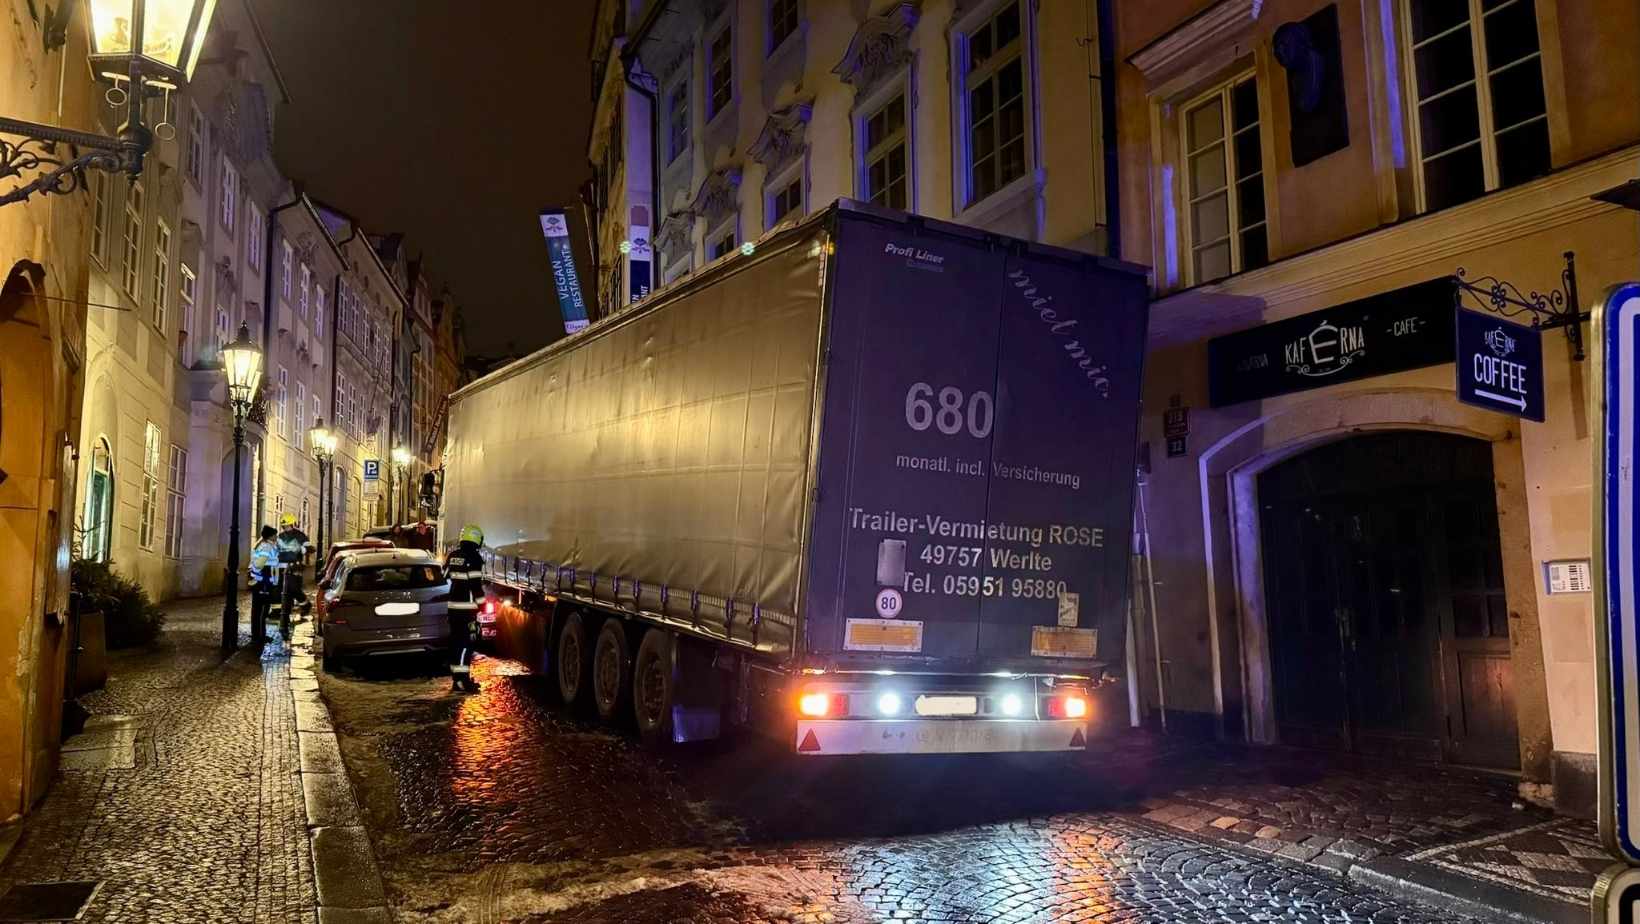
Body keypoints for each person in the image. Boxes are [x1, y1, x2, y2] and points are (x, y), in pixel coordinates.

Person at [444, 524, 485, 693]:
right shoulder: (474, 558)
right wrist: (482, 604)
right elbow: (476, 585)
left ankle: (457, 679)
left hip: (453, 607)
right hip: (467, 610)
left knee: (455, 643)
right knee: (466, 644)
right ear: (476, 539)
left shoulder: (453, 555)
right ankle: (462, 681)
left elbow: (445, 575)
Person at [275, 513, 312, 638]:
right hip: (282, 569)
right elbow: (276, 550)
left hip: (295, 568)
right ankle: (284, 623)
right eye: (283, 526)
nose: (285, 528)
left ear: (291, 524)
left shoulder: (300, 535)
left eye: (286, 526)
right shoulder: (280, 536)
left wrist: (305, 549)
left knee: (293, 590)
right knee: (286, 594)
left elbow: (309, 547)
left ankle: (303, 605)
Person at [248, 525, 279, 644]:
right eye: (275, 534)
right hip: (263, 582)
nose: (276, 536)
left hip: (261, 581)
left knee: (258, 609)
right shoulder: (266, 547)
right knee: (262, 610)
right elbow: (259, 564)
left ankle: (258, 635)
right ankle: (259, 636)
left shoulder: (261, 545)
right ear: (271, 536)